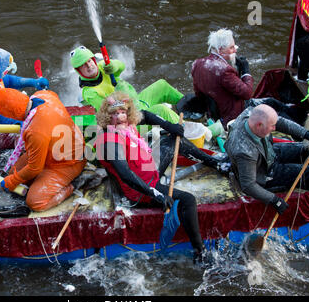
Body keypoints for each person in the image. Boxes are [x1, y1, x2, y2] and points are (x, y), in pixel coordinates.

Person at [94, 92, 233, 261]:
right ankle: (200, 251)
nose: (121, 117)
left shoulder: (127, 124)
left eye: (123, 112)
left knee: (173, 140)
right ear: (107, 117)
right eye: (115, 114)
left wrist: (169, 125)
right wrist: (156, 194)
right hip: (140, 189)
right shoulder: (109, 141)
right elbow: (126, 175)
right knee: (188, 200)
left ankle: (216, 162)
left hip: (148, 169)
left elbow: (146, 115)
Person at [0, 87, 86, 212]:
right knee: (14, 173)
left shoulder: (36, 131)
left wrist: (11, 182)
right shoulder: (42, 95)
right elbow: (53, 92)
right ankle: (40, 180)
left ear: (11, 114)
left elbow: (35, 168)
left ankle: (72, 186)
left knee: (34, 202)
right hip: (57, 147)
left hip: (68, 162)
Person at [225, 104, 309, 216]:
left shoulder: (251, 114)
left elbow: (281, 122)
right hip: (264, 172)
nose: (275, 128)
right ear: (259, 125)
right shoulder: (244, 151)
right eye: (272, 126)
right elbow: (248, 185)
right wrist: (274, 200)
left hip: (269, 153)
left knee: (307, 149)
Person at [70, 45, 183, 124]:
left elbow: (121, 66)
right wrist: (123, 96)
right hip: (129, 120)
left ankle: (190, 106)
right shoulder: (89, 92)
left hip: (137, 103)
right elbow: (110, 110)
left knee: (162, 85)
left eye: (89, 61)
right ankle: (186, 133)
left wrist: (114, 65)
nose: (89, 66)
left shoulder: (102, 66)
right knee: (161, 109)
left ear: (93, 60)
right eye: (83, 65)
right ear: (79, 71)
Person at [190, 28, 254, 127]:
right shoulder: (225, 70)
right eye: (231, 47)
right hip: (230, 119)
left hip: (213, 114)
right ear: (220, 50)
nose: (235, 50)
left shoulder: (197, 63)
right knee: (271, 103)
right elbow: (247, 93)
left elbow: (199, 93)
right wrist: (246, 72)